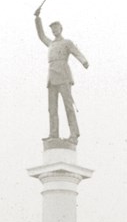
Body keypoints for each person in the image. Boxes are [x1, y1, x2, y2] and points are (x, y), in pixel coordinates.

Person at [34, 9, 89, 144]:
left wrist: (84, 61)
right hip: (52, 78)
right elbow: (41, 36)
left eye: (56, 28)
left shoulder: (67, 43)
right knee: (52, 108)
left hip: (63, 76)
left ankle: (74, 133)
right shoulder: (51, 43)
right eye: (52, 29)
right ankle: (53, 134)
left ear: (61, 29)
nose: (54, 31)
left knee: (68, 106)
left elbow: (77, 52)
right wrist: (37, 19)